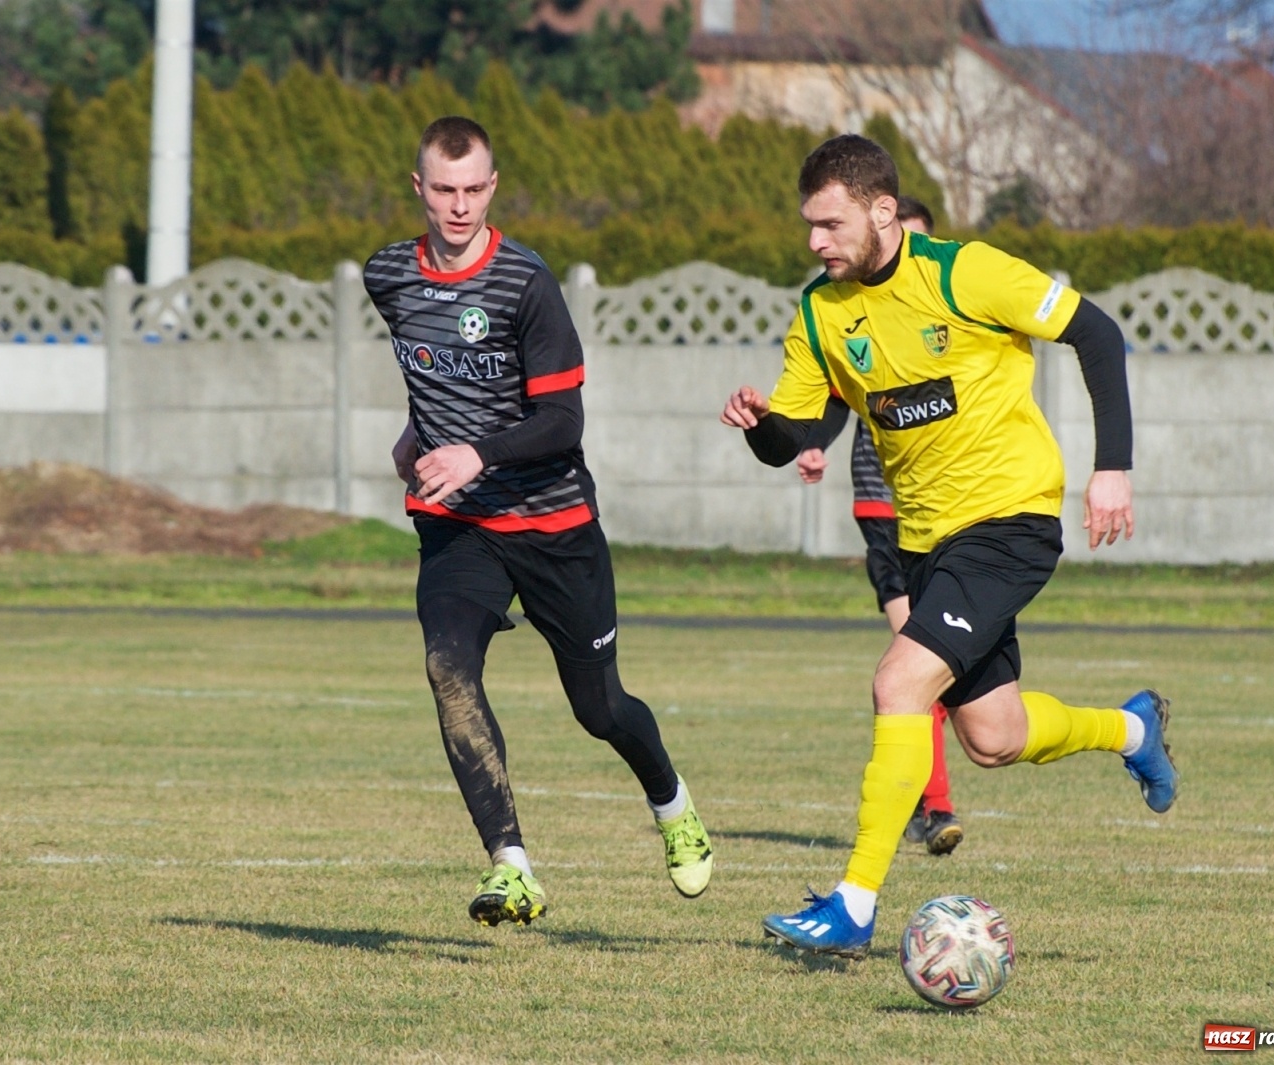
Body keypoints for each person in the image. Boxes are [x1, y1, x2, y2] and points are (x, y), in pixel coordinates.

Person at [719, 134, 1177, 958]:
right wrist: (760, 426)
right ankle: (1132, 729)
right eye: (809, 225)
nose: (815, 241)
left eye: (829, 224)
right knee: (994, 736)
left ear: (881, 211)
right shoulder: (822, 311)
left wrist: (1113, 467)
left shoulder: (965, 272)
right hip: (926, 540)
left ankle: (853, 905)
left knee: (898, 681)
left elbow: (1098, 333)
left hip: (1009, 520)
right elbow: (797, 434)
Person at [363, 116, 713, 927]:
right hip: (458, 524)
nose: (459, 206)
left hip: (554, 524)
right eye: (443, 189)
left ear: (493, 187)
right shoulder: (389, 275)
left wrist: (475, 452)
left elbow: (562, 421)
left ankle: (671, 802)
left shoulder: (526, 282)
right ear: (418, 188)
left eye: (473, 189)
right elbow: (431, 369)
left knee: (600, 708)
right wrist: (418, 434)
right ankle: (511, 866)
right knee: (448, 666)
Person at [793, 195, 963, 857]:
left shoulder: (946, 313)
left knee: (944, 676)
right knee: (916, 656)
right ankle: (934, 804)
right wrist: (814, 442)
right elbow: (839, 394)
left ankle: (927, 798)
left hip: (948, 510)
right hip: (883, 509)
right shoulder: (854, 316)